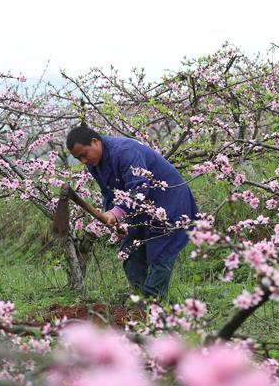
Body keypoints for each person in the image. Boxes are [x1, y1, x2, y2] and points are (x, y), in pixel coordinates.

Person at [66, 125, 198, 299]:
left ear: (95, 141)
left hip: (169, 202)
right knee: (130, 255)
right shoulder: (94, 163)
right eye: (78, 158)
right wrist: (116, 221)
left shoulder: (124, 151)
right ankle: (141, 300)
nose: (83, 160)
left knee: (161, 256)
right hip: (139, 209)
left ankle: (152, 304)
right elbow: (110, 192)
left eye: (84, 154)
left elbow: (139, 187)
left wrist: (116, 213)